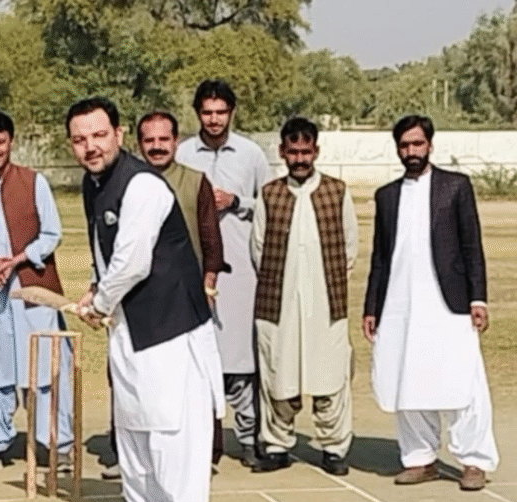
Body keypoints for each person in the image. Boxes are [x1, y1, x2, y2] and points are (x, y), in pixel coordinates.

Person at [68, 97, 224, 502]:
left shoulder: (143, 186)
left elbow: (133, 260)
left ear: (119, 135)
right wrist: (96, 290)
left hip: (170, 324)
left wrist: (100, 301)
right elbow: (106, 253)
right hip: (129, 324)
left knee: (171, 428)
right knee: (133, 422)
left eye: (100, 135)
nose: (91, 147)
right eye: (80, 139)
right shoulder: (94, 183)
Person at [364, 115, 498, 491]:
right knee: (407, 378)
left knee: (462, 379)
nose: (412, 151)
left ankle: (474, 460)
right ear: (397, 149)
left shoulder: (456, 187)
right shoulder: (387, 196)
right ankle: (420, 459)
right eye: (405, 145)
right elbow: (380, 257)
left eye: (417, 144)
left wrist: (478, 298)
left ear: (430, 145)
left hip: (449, 301)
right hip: (400, 304)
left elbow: (472, 245)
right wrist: (372, 307)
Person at [0, 107, 72, 476]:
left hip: (33, 291)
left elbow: (51, 233)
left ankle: (57, 444)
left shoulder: (34, 182)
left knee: (45, 368)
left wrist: (19, 259)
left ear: (11, 142)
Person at [250, 117, 359, 476]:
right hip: (278, 303)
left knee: (330, 375)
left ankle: (334, 448)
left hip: (326, 303)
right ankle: (277, 445)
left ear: (316, 151)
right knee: (279, 373)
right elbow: (258, 248)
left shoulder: (337, 191)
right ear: (282, 152)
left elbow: (349, 248)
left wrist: (322, 283)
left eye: (305, 152)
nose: (299, 159)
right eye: (293, 152)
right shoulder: (270, 194)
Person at [176, 80, 270, 467]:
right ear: (198, 113)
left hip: (242, 268)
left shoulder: (251, 154)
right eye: (207, 113)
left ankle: (248, 438)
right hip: (195, 266)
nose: (214, 120)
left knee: (242, 357)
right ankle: (205, 441)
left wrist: (236, 201)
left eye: (221, 112)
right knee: (200, 357)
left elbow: (271, 202)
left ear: (231, 113)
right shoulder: (183, 153)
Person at [135, 109, 228, 475]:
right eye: (150, 140)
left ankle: (205, 452)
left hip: (188, 297)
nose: (157, 146)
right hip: (141, 297)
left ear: (176, 141)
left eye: (164, 139)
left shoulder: (195, 181)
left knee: (196, 378)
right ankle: (138, 453)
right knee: (141, 378)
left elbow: (211, 239)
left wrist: (208, 285)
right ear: (139, 144)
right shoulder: (129, 181)